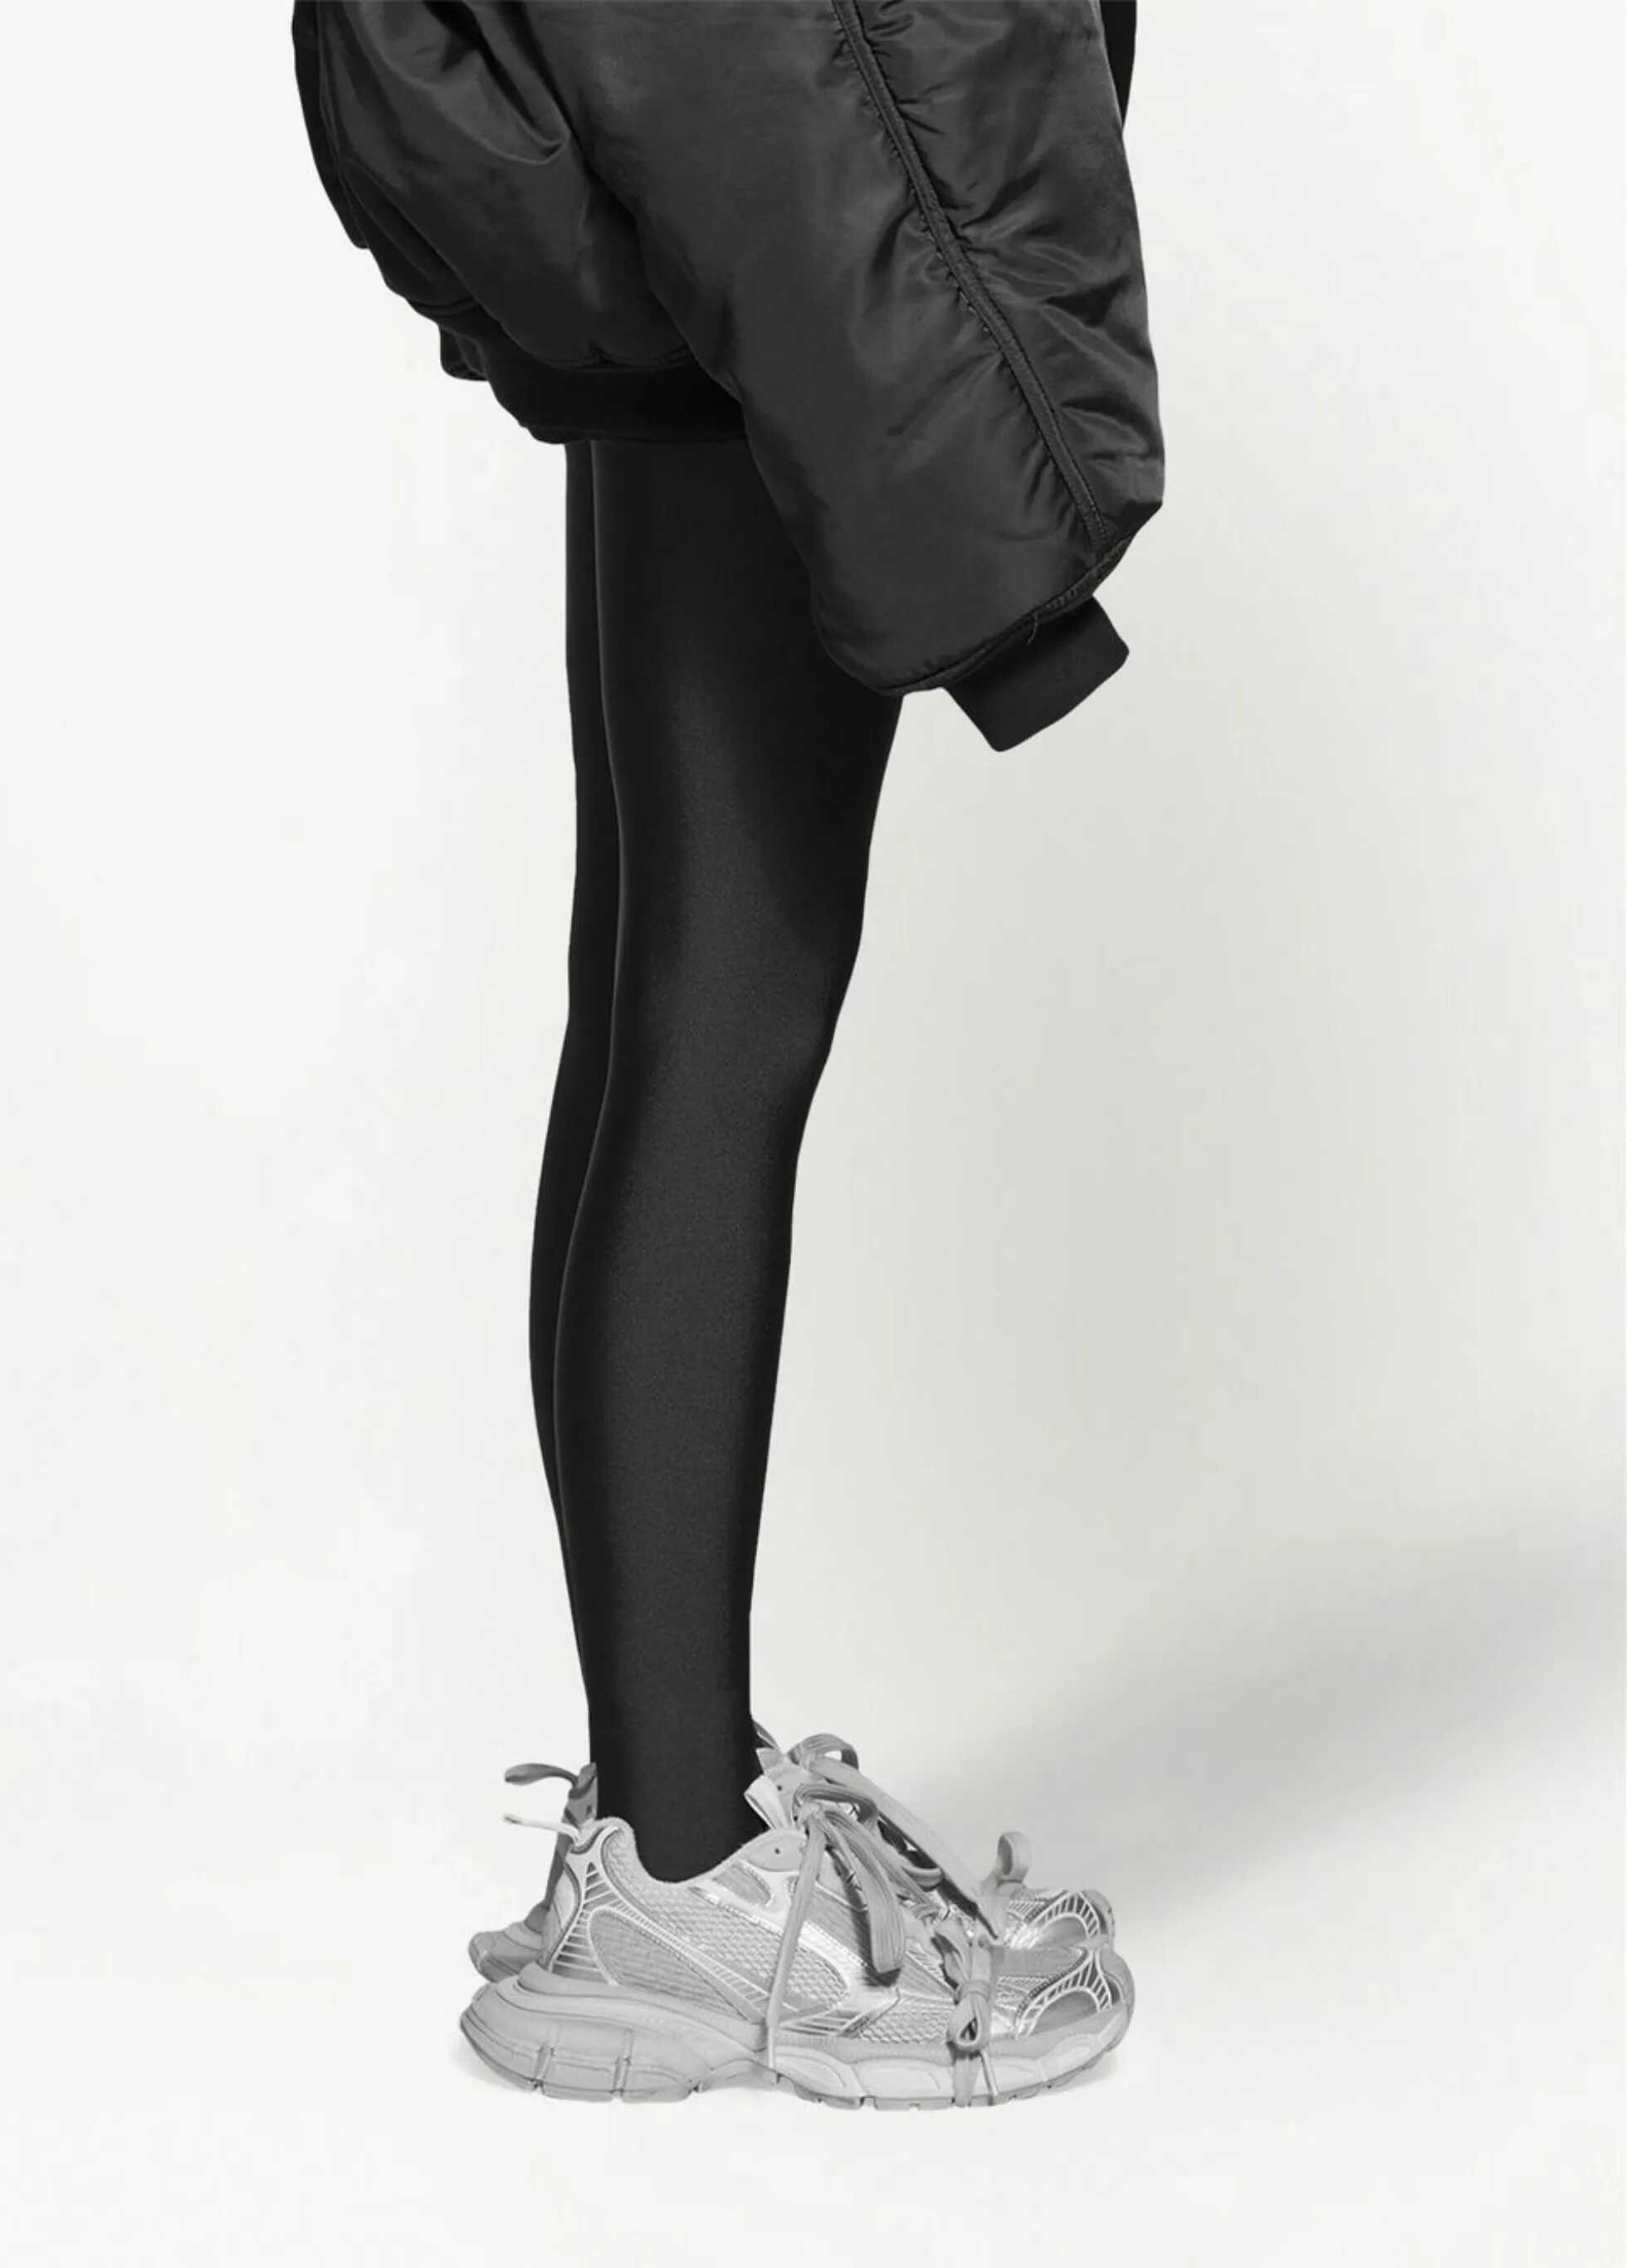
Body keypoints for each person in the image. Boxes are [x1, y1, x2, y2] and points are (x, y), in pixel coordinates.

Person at [293, 0, 1160, 2107]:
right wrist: (977, 514)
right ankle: (683, 1868)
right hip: (774, 240)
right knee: (722, 1008)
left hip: (717, 242)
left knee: (660, 991)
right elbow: (779, 72)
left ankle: (659, 1807)